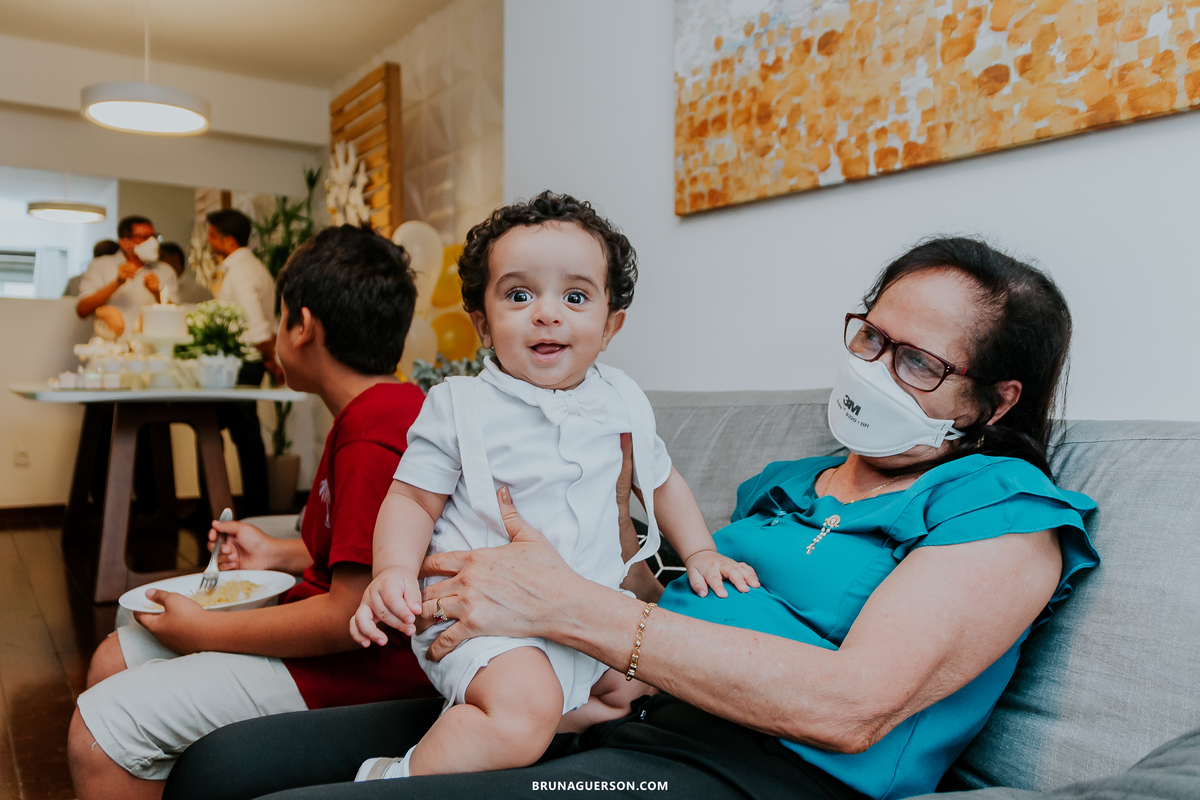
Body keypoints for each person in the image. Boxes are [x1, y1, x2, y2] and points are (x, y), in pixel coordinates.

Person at [164, 236, 1101, 800]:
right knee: (219, 767)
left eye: (917, 364)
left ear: (995, 401)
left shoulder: (1006, 515)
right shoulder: (795, 481)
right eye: (870, 337)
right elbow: (665, 603)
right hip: (620, 715)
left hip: (756, 776)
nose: (873, 370)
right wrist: (584, 561)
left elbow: (851, 707)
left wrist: (570, 607)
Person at [349, 192, 759, 781]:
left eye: (574, 296)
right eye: (519, 295)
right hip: (483, 616)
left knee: (636, 687)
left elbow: (662, 483)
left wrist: (699, 552)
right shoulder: (459, 406)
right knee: (522, 709)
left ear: (610, 324)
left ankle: (533, 720)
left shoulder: (621, 402)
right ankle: (396, 781)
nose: (547, 313)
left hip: (586, 612)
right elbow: (412, 498)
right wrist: (390, 571)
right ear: (483, 325)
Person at [68, 226, 440, 800]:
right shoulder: (382, 408)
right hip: (346, 646)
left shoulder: (373, 431)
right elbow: (370, 554)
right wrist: (279, 553)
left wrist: (205, 630)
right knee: (114, 655)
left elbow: (349, 612)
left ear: (303, 325)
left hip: (362, 673)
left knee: (99, 729)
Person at [204, 209, 277, 517]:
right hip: (245, 361)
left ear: (228, 240)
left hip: (243, 362)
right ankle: (227, 504)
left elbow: (255, 321)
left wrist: (272, 360)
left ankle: (252, 508)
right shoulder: (252, 265)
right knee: (231, 430)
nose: (208, 241)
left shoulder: (240, 271)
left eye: (211, 235)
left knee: (233, 431)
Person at [76, 216, 178, 339]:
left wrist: (157, 293)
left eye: (153, 236)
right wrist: (117, 283)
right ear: (125, 242)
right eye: (143, 237)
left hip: (149, 349)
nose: (152, 242)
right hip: (108, 349)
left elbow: (177, 317)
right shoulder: (100, 265)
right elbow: (82, 310)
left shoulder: (165, 270)